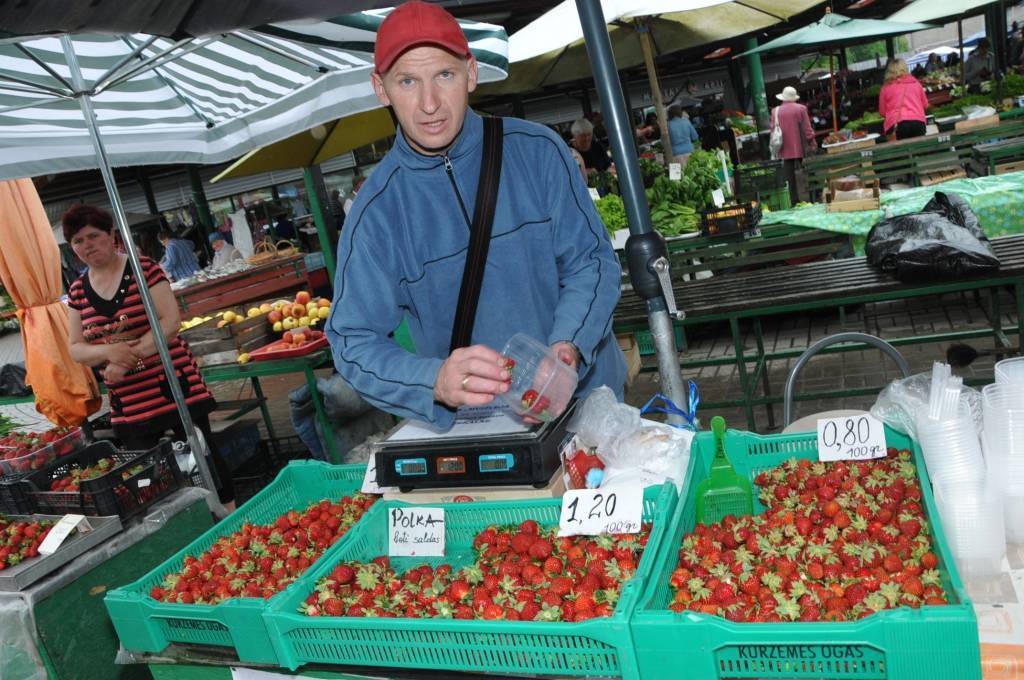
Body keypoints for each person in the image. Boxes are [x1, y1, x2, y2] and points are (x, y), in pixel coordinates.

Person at [327, 0, 626, 429]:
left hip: (590, 407)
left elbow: (592, 262)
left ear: (470, 73)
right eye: (407, 81)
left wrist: (568, 348)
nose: (429, 103)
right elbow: (352, 341)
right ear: (381, 88)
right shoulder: (376, 214)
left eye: (444, 75)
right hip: (485, 427)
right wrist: (432, 379)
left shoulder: (537, 152)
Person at [63, 205, 235, 511]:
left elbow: (169, 323)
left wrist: (123, 360)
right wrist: (107, 352)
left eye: (93, 235)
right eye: (78, 241)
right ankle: (183, 525)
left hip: (172, 384)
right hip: (129, 400)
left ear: (111, 235)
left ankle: (228, 517)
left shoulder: (145, 270)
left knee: (202, 454)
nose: (87, 245)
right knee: (146, 471)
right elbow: (76, 347)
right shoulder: (77, 290)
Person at [771, 86, 816, 206]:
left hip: (783, 149)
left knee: (788, 178)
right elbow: (807, 130)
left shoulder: (775, 111)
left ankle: (793, 202)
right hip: (801, 147)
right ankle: (813, 197)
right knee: (809, 172)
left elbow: (772, 130)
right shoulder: (801, 109)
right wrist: (812, 141)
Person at [879, 58, 928, 141]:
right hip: (918, 123)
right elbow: (925, 105)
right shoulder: (916, 83)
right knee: (919, 150)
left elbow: (883, 112)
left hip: (898, 125)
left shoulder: (885, 88)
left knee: (901, 152)